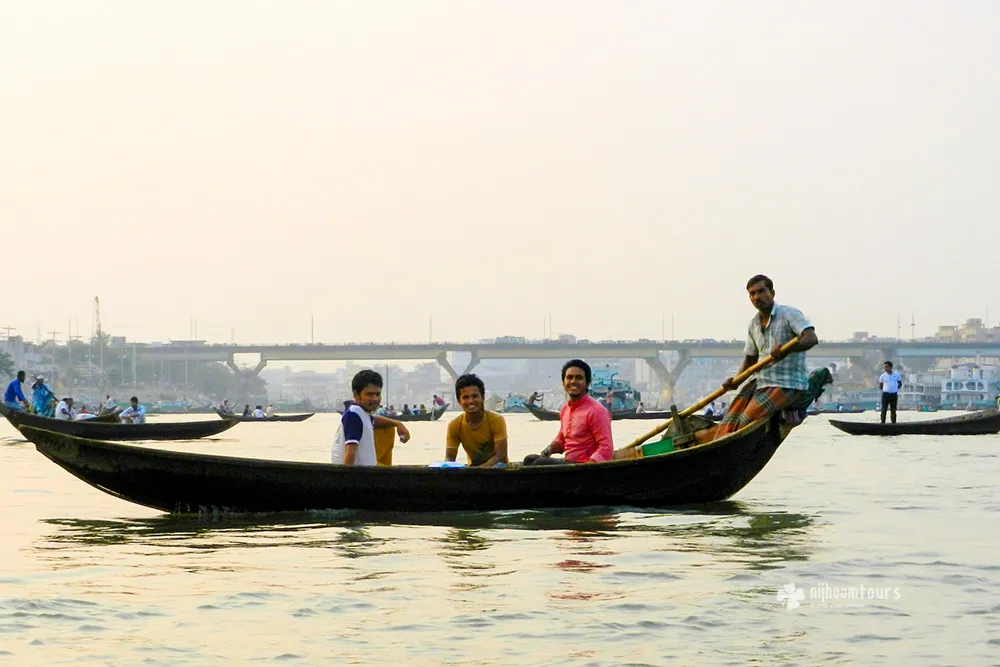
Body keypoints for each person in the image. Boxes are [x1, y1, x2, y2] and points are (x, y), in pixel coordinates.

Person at [714, 275, 819, 437]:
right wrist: (735, 381)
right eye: (752, 294)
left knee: (745, 420)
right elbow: (750, 359)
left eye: (761, 291)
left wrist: (787, 350)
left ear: (772, 292)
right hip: (761, 382)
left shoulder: (788, 314)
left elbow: (811, 338)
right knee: (728, 422)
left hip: (787, 383)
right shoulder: (753, 324)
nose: (757, 297)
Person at [523, 360, 613, 465]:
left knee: (539, 463)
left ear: (587, 383)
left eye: (578, 378)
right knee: (529, 460)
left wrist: (589, 465)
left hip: (585, 468)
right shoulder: (565, 409)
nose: (573, 381)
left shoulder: (597, 411)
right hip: (570, 463)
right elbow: (562, 440)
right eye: (569, 377)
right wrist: (549, 450)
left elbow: (606, 448)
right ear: (563, 383)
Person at [332, 370, 411, 466]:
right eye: (369, 394)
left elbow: (374, 420)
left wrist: (398, 423)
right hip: (358, 477)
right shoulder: (353, 415)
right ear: (356, 395)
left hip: (369, 474)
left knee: (388, 428)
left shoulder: (362, 413)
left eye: (378, 394)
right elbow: (350, 453)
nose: (375, 399)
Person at [445, 374, 509, 468]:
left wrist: (478, 470)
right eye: (465, 397)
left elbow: (500, 456)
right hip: (473, 470)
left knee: (499, 465)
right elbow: (450, 459)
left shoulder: (496, 420)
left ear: (482, 398)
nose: (470, 401)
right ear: (459, 401)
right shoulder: (454, 425)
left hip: (497, 471)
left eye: (475, 396)